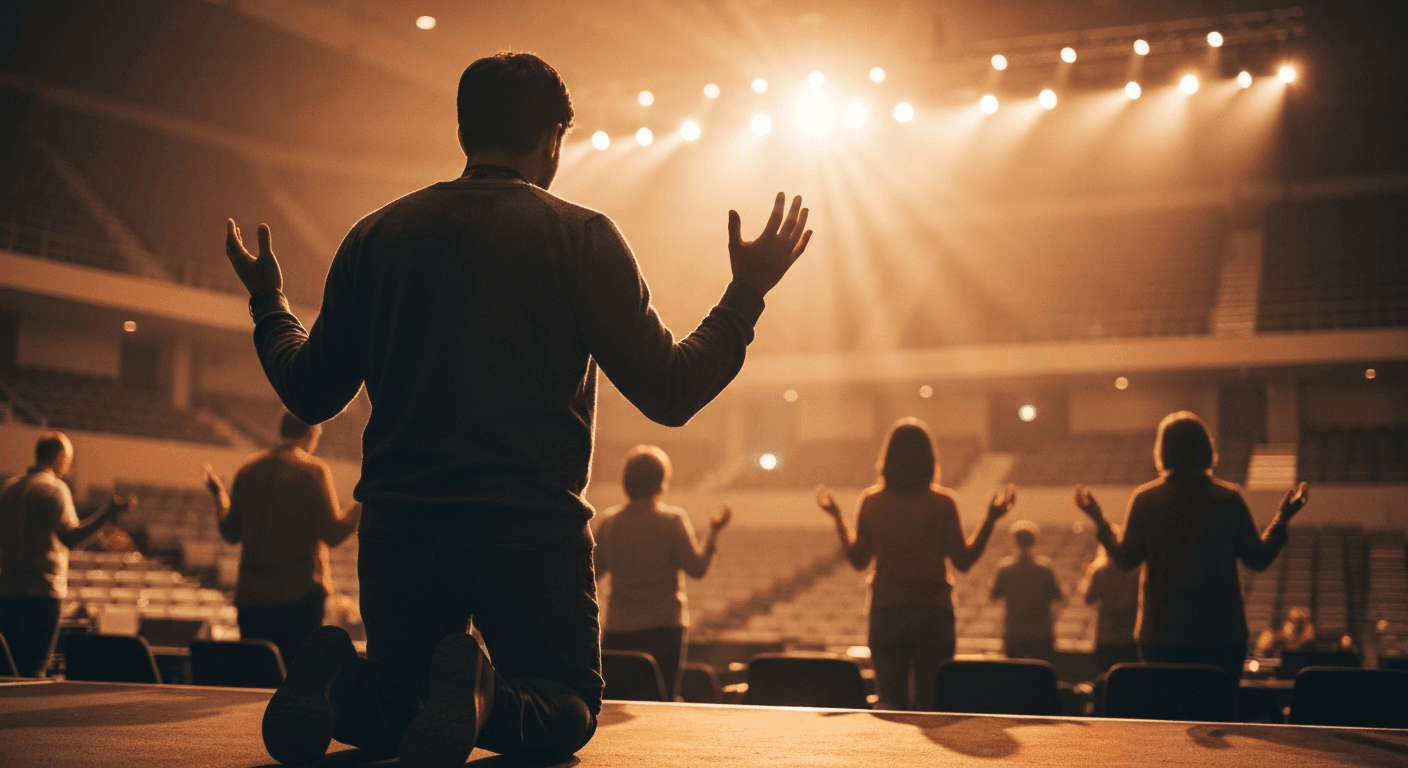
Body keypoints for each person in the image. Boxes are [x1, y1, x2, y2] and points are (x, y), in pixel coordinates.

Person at [222, 52, 811, 766]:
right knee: (566, 707)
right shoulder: (583, 236)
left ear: (466, 128)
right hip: (528, 529)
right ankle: (486, 700)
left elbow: (310, 391)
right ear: (554, 139)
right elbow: (671, 391)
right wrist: (745, 294)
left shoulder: (374, 236)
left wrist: (268, 303)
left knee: (404, 699)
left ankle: (344, 685)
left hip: (400, 527)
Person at [1074, 411, 1310, 681]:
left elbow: (1126, 559)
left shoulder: (1146, 500)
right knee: (1218, 713)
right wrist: (1282, 518)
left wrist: (1099, 520)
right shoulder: (1228, 499)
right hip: (1222, 633)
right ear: (1206, 448)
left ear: (1162, 450)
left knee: (1170, 714)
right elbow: (1258, 559)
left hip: (1162, 634)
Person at [816, 418, 1016, 711]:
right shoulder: (943, 503)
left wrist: (837, 519)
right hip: (934, 614)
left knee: (891, 704)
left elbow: (859, 561)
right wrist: (990, 519)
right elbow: (964, 561)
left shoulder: (872, 501)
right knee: (930, 705)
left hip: (887, 611)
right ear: (930, 459)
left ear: (887, 457)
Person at [202, 412, 361, 665]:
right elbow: (333, 535)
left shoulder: (247, 470)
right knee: (295, 680)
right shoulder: (312, 470)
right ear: (312, 433)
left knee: (257, 678)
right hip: (298, 599)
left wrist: (220, 495)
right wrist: (362, 501)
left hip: (251, 600)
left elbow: (230, 533)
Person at [595, 445, 730, 701]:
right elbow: (697, 569)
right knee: (662, 701)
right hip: (664, 628)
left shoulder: (609, 523)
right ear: (661, 481)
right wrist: (714, 532)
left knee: (615, 700)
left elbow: (590, 575)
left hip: (618, 628)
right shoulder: (672, 521)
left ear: (626, 481)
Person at [0, 432, 134, 677]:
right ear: (60, 456)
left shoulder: (7, 489)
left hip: (6, 593)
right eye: (68, 458)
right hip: (41, 593)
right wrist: (108, 513)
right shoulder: (54, 489)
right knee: (33, 673)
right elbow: (71, 539)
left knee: (7, 673)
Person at [990, 520, 1063, 665]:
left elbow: (994, 595)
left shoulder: (1005, 569)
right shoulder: (1045, 568)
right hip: (1041, 633)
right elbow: (1058, 596)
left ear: (1013, 541)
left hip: (1014, 633)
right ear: (1035, 541)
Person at [1079, 523, 1141, 674]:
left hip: (1106, 636)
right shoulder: (1136, 571)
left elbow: (1088, 599)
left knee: (1106, 677)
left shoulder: (1099, 573)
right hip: (1129, 635)